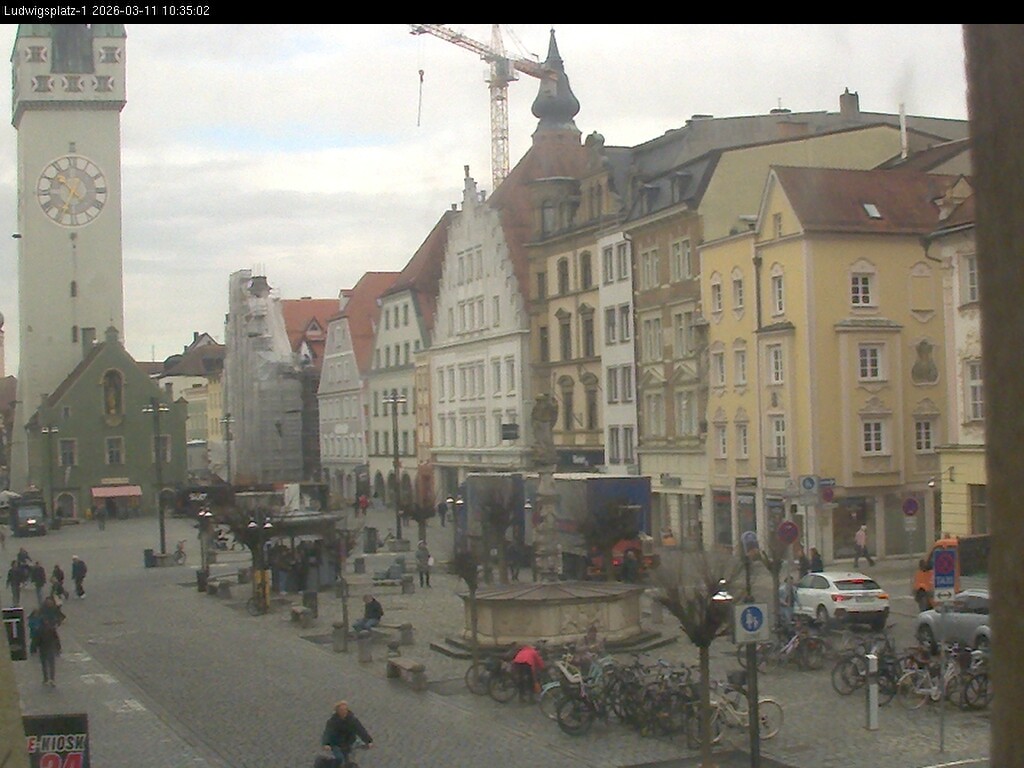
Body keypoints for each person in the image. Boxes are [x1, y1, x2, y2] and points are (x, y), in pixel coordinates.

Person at [319, 700, 373, 766]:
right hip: (336, 744)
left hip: (349, 743)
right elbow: (328, 733)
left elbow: (360, 730)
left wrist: (368, 741)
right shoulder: (332, 722)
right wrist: (326, 743)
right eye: (341, 710)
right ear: (337, 711)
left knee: (350, 761)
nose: (344, 711)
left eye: (345, 709)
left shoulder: (352, 720)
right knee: (340, 759)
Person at [29, 601, 62, 687]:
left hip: (43, 649)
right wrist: (58, 648)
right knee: (51, 664)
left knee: (44, 664)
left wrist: (33, 648)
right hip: (51, 648)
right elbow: (56, 639)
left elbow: (36, 641)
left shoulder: (39, 630)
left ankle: (46, 679)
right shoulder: (51, 629)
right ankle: (52, 679)